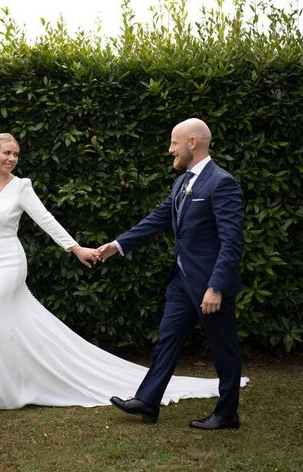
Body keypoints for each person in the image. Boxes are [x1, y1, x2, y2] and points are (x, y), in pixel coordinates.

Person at [0, 132, 235, 417]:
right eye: (7, 153)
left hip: (10, 265)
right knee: (2, 327)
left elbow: (46, 218)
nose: (12, 159)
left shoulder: (20, 187)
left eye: (16, 154)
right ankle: (146, 399)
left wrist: (76, 248)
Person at [98, 118, 246, 429]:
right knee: (167, 340)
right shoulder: (182, 181)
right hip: (181, 282)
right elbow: (159, 218)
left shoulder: (222, 183)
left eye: (174, 143)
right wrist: (118, 245)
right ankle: (148, 402)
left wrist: (216, 286)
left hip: (208, 285)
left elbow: (232, 241)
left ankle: (227, 412)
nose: (170, 150)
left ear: (192, 143)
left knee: (224, 348)